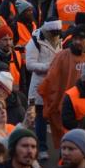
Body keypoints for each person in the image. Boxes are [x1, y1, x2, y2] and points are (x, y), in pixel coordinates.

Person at [25, 20, 63, 160]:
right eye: (53, 34)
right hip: (40, 84)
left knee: (55, 116)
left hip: (55, 85)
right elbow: (29, 65)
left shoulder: (59, 39)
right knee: (40, 116)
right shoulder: (35, 42)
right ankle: (41, 148)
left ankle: (61, 148)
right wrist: (49, 66)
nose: (55, 36)